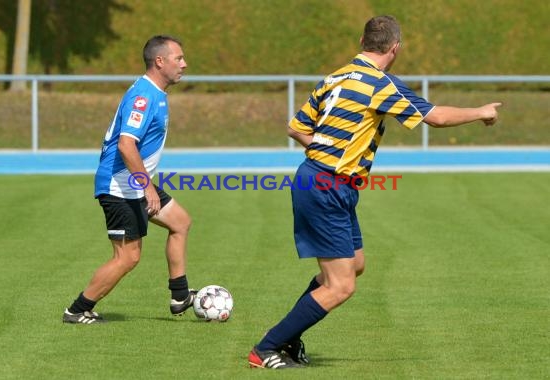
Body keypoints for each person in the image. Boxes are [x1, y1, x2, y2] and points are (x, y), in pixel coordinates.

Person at [248, 15, 502, 368]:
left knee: (355, 264)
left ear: (363, 42)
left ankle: (287, 340)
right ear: (394, 48)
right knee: (341, 286)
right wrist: (481, 111)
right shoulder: (381, 84)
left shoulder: (335, 76)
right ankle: (266, 348)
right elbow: (436, 117)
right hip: (326, 184)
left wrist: (326, 151)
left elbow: (296, 127)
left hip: (325, 180)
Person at [63, 35, 197, 324]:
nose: (184, 64)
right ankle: (77, 309)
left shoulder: (155, 93)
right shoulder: (144, 96)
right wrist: (146, 186)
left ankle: (180, 296)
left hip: (134, 182)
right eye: (179, 58)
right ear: (159, 62)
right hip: (120, 185)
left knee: (180, 222)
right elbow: (126, 144)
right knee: (128, 258)